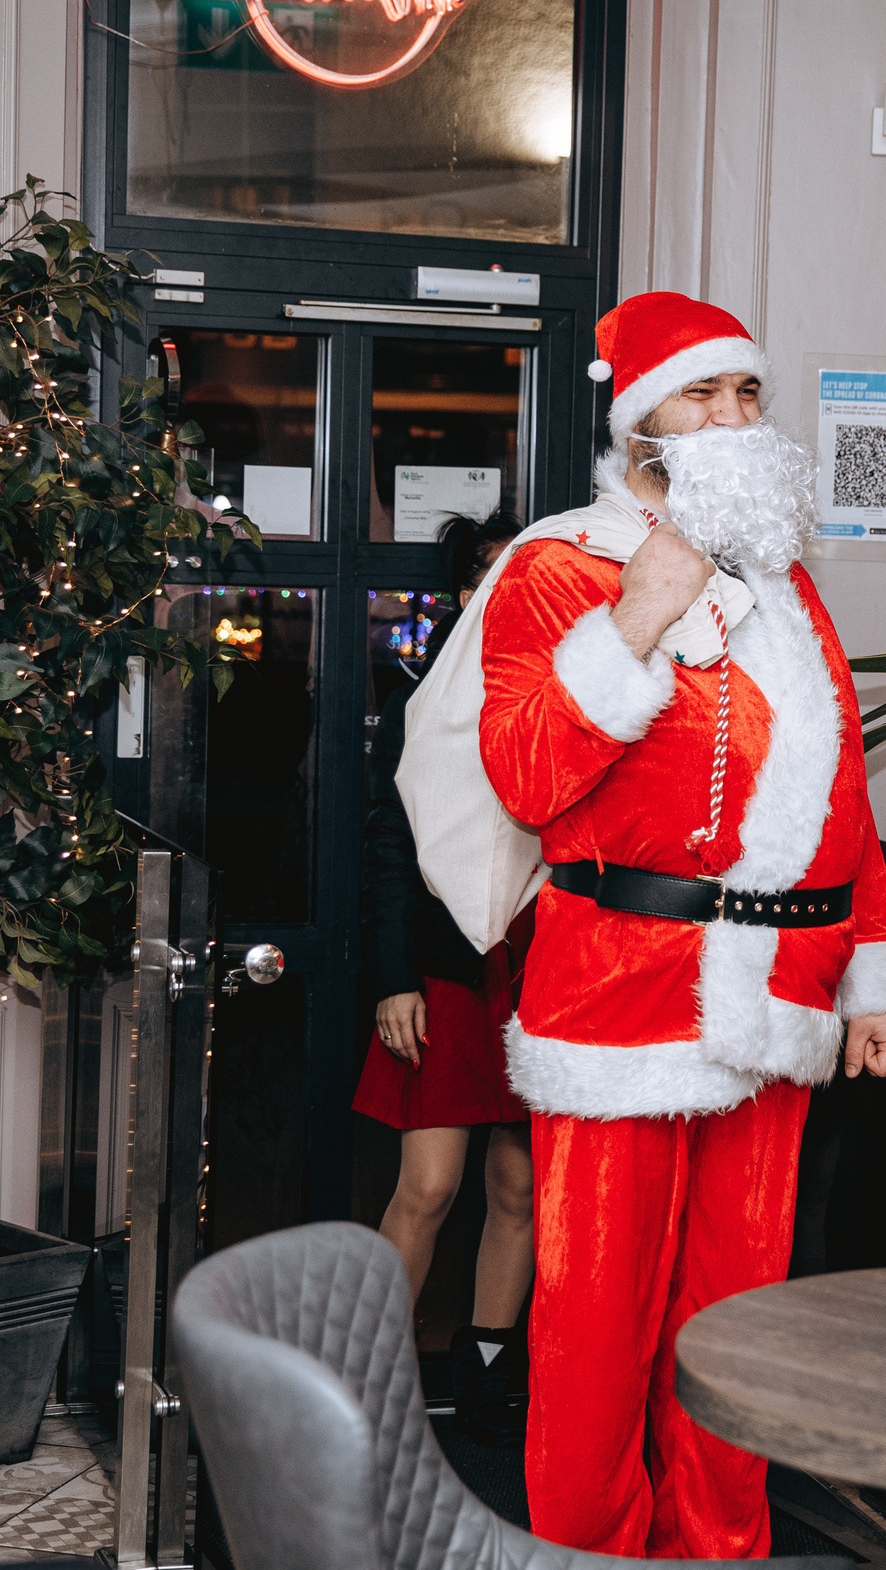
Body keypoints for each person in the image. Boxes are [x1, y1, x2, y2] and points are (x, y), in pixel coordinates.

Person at [473, 292, 886, 1557]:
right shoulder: (558, 567)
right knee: (597, 1328)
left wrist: (870, 972)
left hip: (774, 998)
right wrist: (635, 617)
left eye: (747, 392)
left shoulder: (786, 584)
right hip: (619, 998)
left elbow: (839, 787)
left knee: (735, 1327)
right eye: (700, 393)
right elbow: (525, 776)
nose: (732, 416)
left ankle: (720, 1551)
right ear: (639, 424)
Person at [351, 510, 533, 1446]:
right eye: (489, 577)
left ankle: (488, 1371)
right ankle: (371, 1381)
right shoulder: (423, 702)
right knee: (427, 1185)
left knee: (520, 1186)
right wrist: (394, 978)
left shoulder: (563, 694)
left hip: (539, 967)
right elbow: (386, 848)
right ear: (463, 592)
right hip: (445, 967)